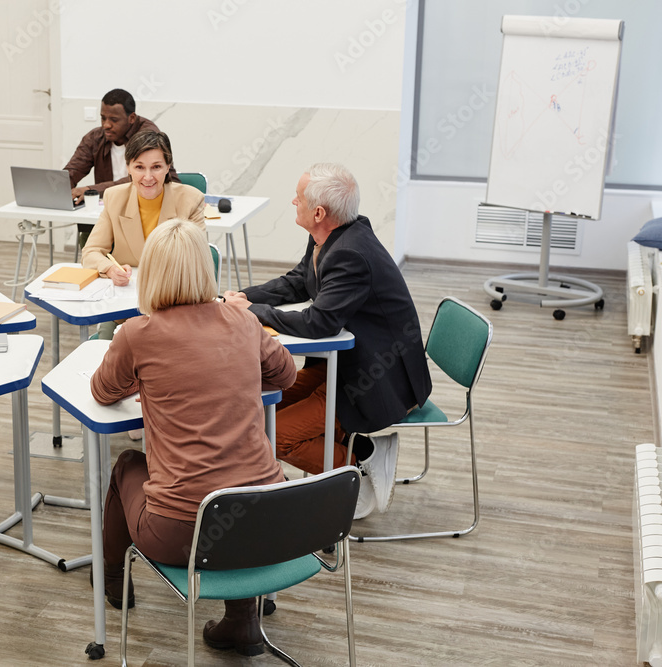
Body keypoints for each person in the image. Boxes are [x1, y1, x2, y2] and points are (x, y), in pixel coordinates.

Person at [92, 219, 297, 657]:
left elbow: (102, 390)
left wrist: (141, 378)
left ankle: (113, 582)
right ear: (206, 271)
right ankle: (242, 621)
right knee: (237, 482)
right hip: (270, 520)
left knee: (128, 464)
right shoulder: (242, 323)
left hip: (181, 533)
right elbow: (285, 374)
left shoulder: (137, 334)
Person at [224, 163, 432, 518]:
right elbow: (296, 282)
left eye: (299, 198)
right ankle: (360, 452)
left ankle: (358, 469)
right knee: (256, 411)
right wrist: (240, 298)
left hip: (376, 383)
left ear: (319, 212)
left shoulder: (350, 253)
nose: (293, 201)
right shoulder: (330, 236)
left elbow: (319, 322)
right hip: (344, 367)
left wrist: (253, 312)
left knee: (274, 435)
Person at [81, 129, 206, 341]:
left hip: (175, 304)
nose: (148, 177)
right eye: (139, 167)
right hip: (125, 307)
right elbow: (91, 252)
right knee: (105, 351)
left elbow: (197, 260)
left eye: (156, 167)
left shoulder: (191, 200)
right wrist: (111, 269)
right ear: (128, 167)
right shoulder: (114, 197)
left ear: (168, 167)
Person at [64, 88, 181, 204]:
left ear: (132, 118)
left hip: (150, 203)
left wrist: (92, 190)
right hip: (110, 205)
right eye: (103, 118)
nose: (106, 125)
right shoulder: (95, 137)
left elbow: (140, 178)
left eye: (114, 120)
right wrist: (59, 188)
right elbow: (74, 170)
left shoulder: (147, 135)